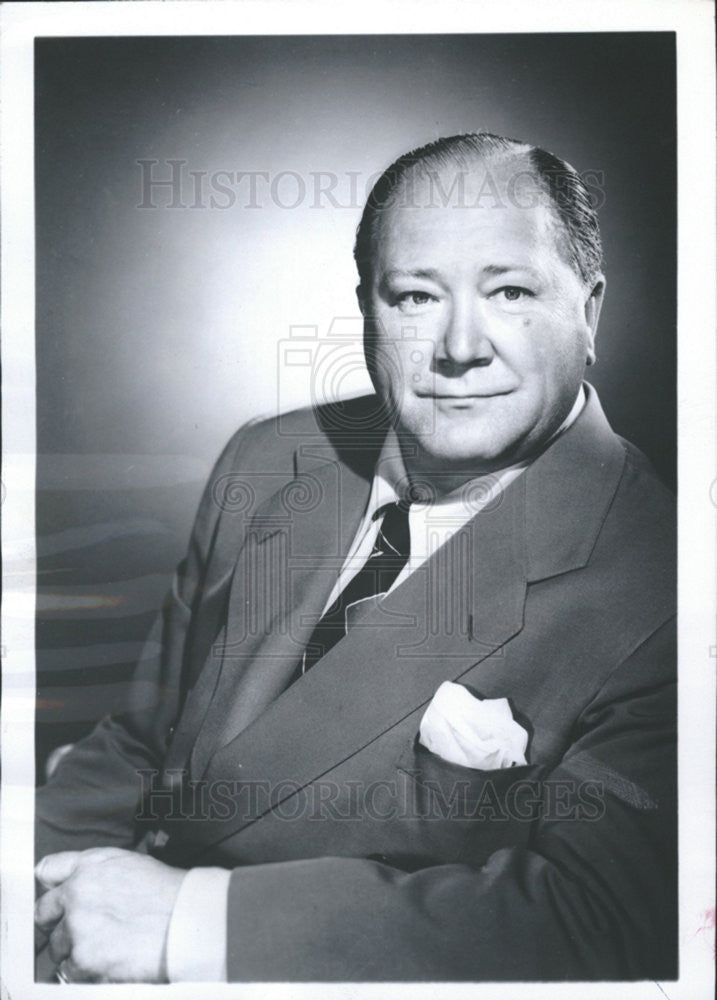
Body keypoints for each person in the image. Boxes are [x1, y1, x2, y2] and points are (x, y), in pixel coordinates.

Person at [34, 132, 676, 983]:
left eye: (510, 291)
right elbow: (146, 744)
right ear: (368, 310)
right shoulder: (269, 458)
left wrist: (185, 925)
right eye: (414, 297)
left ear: (587, 313)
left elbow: (602, 920)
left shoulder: (668, 582)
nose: (458, 347)